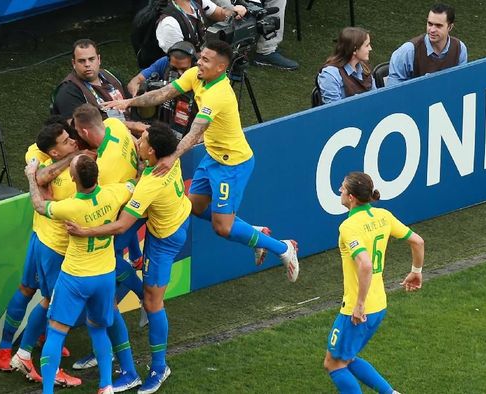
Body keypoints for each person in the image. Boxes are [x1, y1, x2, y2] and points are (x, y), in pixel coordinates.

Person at [103, 40, 300, 283]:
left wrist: (172, 157)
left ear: (220, 68)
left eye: (206, 60)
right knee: (194, 207)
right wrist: (128, 102)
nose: (199, 62)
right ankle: (252, 233)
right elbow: (164, 93)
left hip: (232, 165)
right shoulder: (196, 75)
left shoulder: (219, 95)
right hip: (213, 157)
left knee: (223, 228)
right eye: (201, 57)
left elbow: (194, 133)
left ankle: (283, 247)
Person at [67, 122, 192, 393]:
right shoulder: (171, 157)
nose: (138, 141)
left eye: (144, 140)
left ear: (155, 151)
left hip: (164, 239)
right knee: (108, 258)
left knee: (153, 301)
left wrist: (85, 231)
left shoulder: (150, 184)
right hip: (173, 216)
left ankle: (159, 368)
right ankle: (107, 348)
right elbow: (152, 132)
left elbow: (123, 225)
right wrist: (130, 123)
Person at [25, 154, 136, 394]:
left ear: (73, 178)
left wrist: (31, 177)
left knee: (55, 332)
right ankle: (106, 386)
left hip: (75, 278)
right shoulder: (113, 194)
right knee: (98, 329)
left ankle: (47, 391)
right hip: (105, 277)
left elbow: (38, 205)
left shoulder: (70, 206)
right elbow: (133, 185)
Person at [323, 171, 425, 394]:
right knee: (347, 357)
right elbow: (417, 241)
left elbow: (365, 264)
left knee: (333, 363)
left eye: (342, 187)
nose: (339, 190)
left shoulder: (348, 227)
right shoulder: (383, 216)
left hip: (357, 309)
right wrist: (416, 271)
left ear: (351, 197)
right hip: (379, 305)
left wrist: (359, 304)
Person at [69, 103, 148, 372]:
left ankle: (105, 351)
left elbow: (96, 202)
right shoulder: (115, 125)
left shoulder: (104, 169)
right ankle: (144, 299)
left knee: (109, 267)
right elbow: (131, 137)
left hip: (120, 219)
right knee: (113, 268)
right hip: (137, 206)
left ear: (83, 130)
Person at [7, 124, 81, 388]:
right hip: (53, 245)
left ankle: (23, 354)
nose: (72, 141)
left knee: (49, 300)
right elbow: (38, 179)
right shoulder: (38, 156)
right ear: (53, 149)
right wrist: (72, 158)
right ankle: (52, 369)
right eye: (65, 140)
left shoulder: (65, 156)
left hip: (51, 242)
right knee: (56, 306)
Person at [127, 41, 198, 138]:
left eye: (184, 69)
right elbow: (135, 81)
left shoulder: (202, 72)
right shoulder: (164, 62)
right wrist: (138, 96)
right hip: (164, 118)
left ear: (193, 62)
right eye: (174, 68)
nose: (179, 73)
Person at [387, 3, 467, 86]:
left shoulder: (459, 48)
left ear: (450, 27)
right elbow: (393, 89)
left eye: (438, 26)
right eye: (430, 24)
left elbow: (461, 83)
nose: (432, 30)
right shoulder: (408, 51)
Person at [317, 27, 376, 104]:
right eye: (367, 45)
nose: (370, 48)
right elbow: (334, 110)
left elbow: (375, 97)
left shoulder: (364, 67)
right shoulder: (330, 75)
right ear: (354, 49)